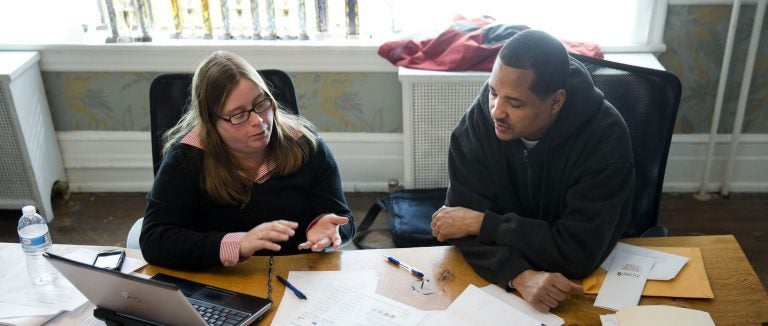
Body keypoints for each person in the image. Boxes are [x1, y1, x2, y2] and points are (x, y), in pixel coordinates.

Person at [430, 30, 634, 312]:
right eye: (493, 92)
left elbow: (577, 253)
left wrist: (483, 224)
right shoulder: (478, 123)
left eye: (515, 103)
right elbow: (458, 226)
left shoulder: (606, 140)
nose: (496, 112)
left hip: (586, 286)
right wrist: (517, 275)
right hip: (511, 290)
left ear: (556, 102)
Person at [140, 51, 354, 270]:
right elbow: (154, 240)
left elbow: (342, 219)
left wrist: (327, 228)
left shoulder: (306, 145)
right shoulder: (186, 157)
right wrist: (238, 244)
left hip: (298, 272)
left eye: (261, 103)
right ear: (210, 124)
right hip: (223, 278)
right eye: (239, 115)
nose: (259, 121)